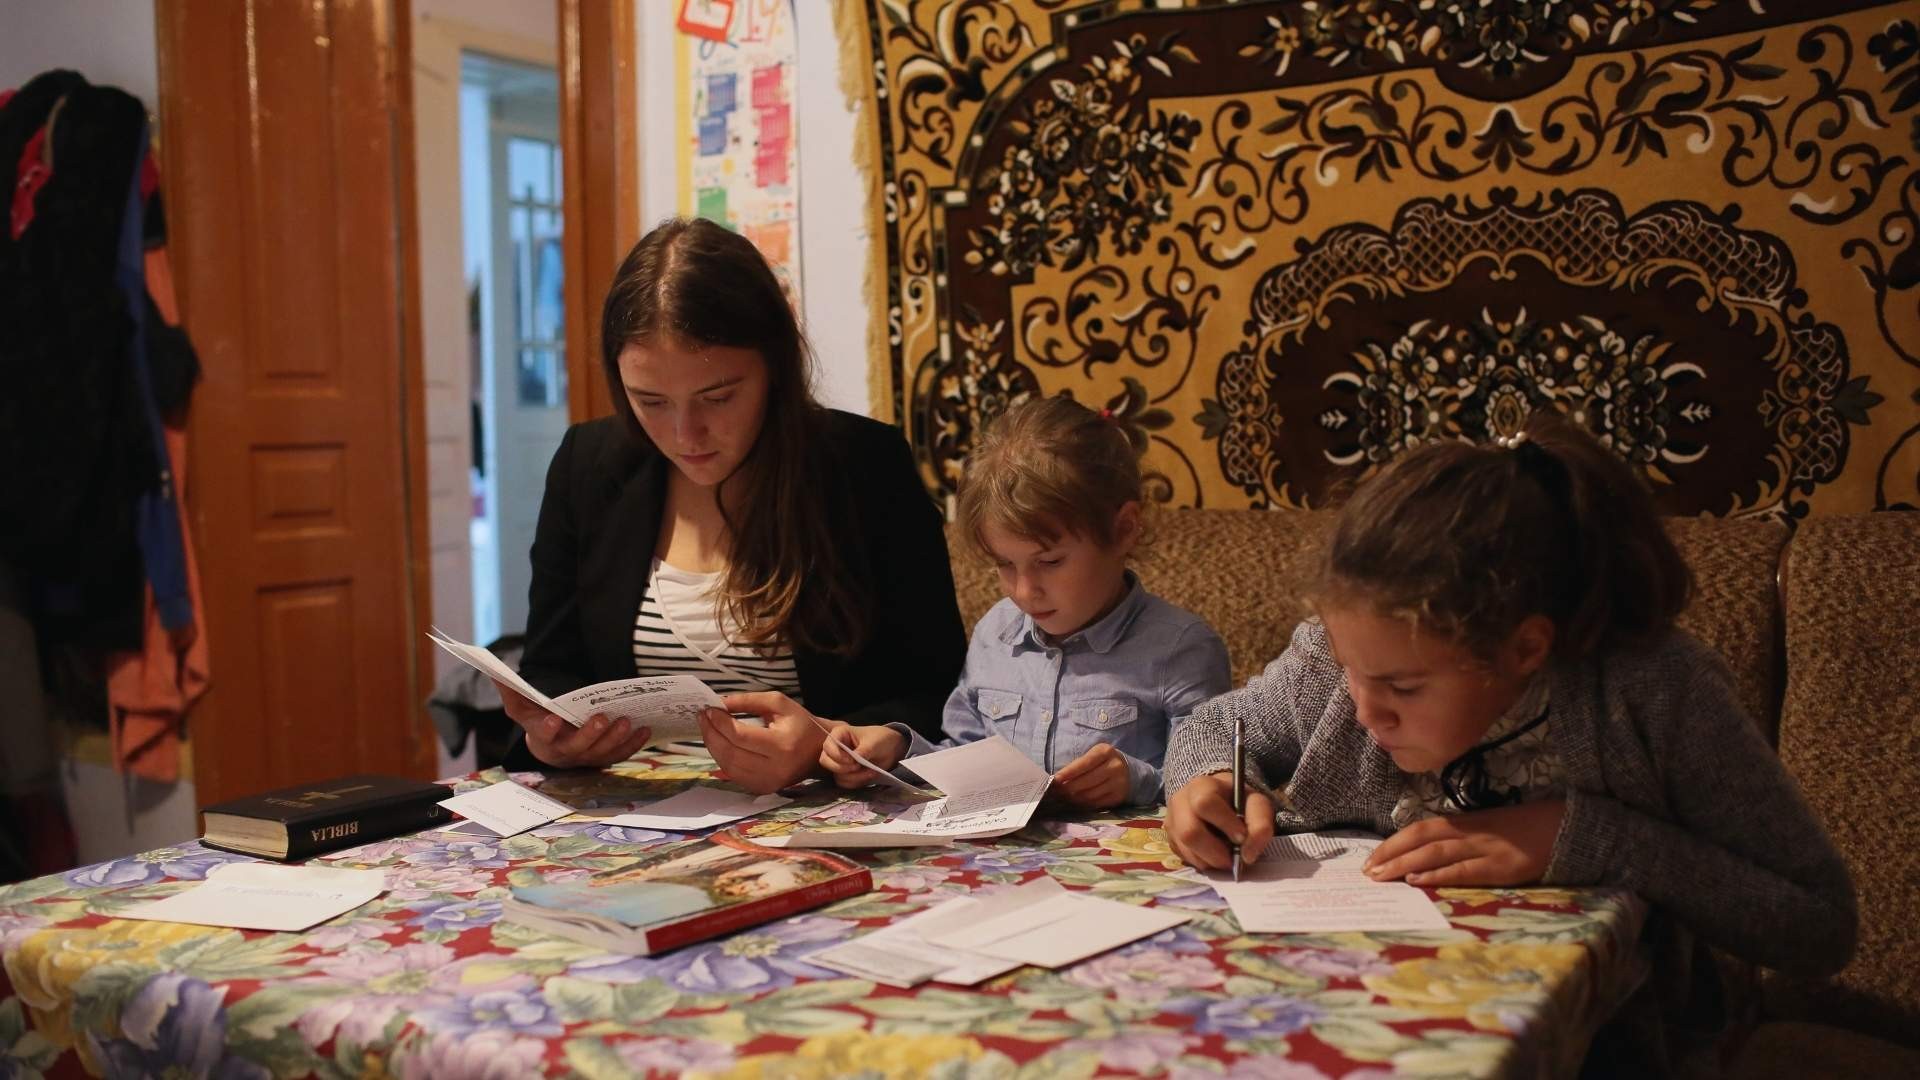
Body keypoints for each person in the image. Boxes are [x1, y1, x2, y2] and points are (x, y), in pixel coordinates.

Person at [1162, 410, 1857, 981]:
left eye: (1403, 687)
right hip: (1331, 990)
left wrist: (1582, 838)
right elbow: (1215, 722)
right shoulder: (1340, 651)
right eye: (1351, 671)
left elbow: (1818, 926)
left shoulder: (1653, 691)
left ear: (1525, 649)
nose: (1365, 712)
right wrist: (1208, 778)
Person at [493, 217, 965, 792]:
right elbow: (551, 671)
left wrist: (831, 741)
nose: (686, 434)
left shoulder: (864, 467)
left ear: (774, 367)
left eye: (718, 397)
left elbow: (940, 686)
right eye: (651, 401)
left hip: (816, 811)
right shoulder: (587, 466)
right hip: (636, 812)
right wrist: (550, 740)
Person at [819, 396, 1230, 808]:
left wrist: (1137, 782)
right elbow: (965, 756)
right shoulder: (996, 632)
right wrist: (897, 748)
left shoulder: (1182, 649)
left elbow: (1214, 787)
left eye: (1049, 561)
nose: (1023, 590)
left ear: (1124, 530)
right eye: (1004, 565)